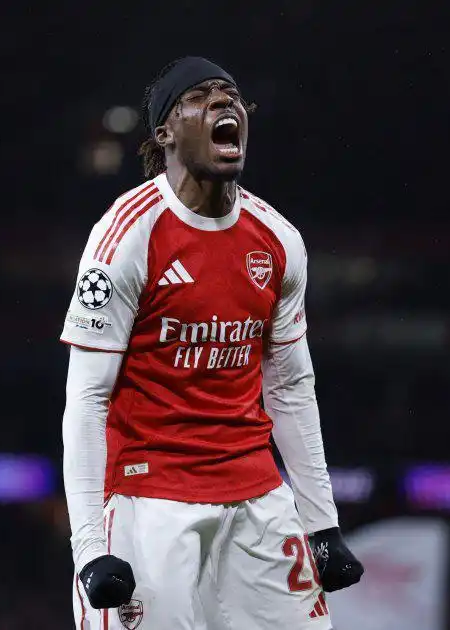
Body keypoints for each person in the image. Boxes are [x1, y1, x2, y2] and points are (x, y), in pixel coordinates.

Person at [61, 56, 363, 629]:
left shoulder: (278, 240)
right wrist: (91, 549)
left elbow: (291, 388)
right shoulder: (127, 236)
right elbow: (87, 400)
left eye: (232, 95)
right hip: (150, 499)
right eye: (201, 97)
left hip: (258, 498)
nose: (225, 103)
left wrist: (322, 523)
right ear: (165, 133)